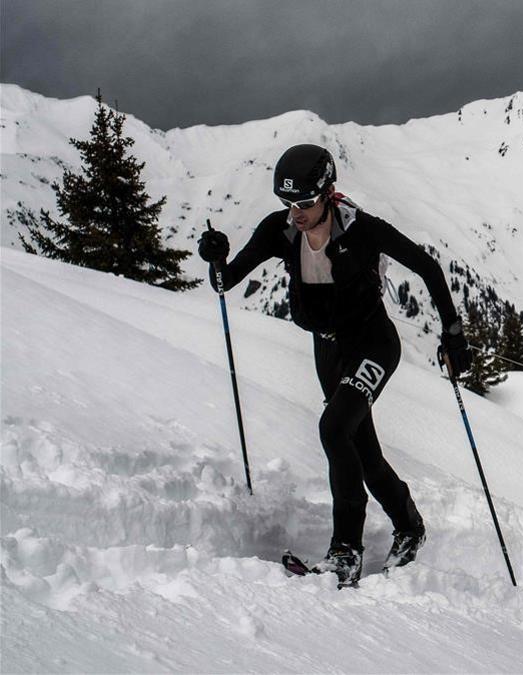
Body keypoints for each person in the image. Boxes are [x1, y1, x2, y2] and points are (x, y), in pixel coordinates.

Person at [197, 144, 471, 587]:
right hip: (328, 350)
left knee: (332, 428)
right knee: (362, 452)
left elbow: (428, 267)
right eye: (287, 203)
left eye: (304, 203)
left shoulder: (361, 230)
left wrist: (453, 335)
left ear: (328, 193)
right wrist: (215, 255)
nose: (295, 213)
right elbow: (224, 282)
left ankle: (346, 551)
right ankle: (409, 525)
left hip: (373, 344)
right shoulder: (280, 231)